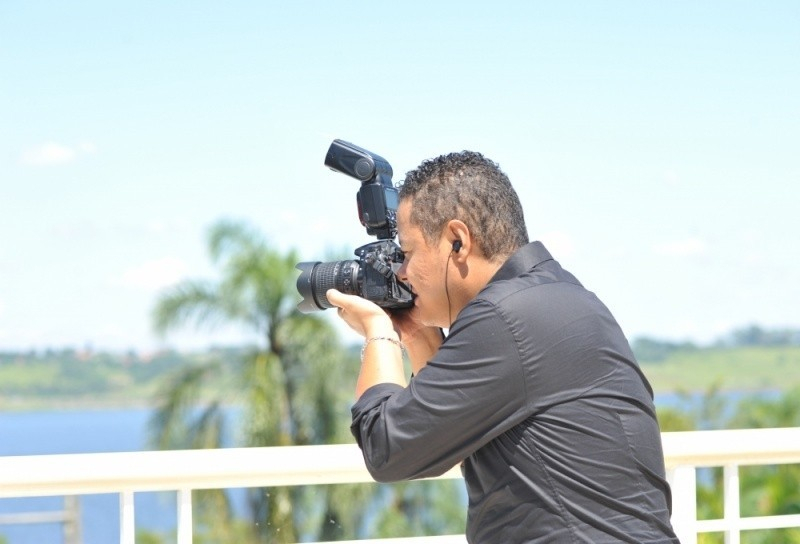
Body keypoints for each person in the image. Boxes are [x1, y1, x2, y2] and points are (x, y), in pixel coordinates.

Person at [326, 150, 679, 543]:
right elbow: (441, 433)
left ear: (457, 242)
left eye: (406, 254)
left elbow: (387, 449)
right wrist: (419, 336)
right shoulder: (559, 296)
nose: (402, 274)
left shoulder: (503, 318)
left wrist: (379, 332)